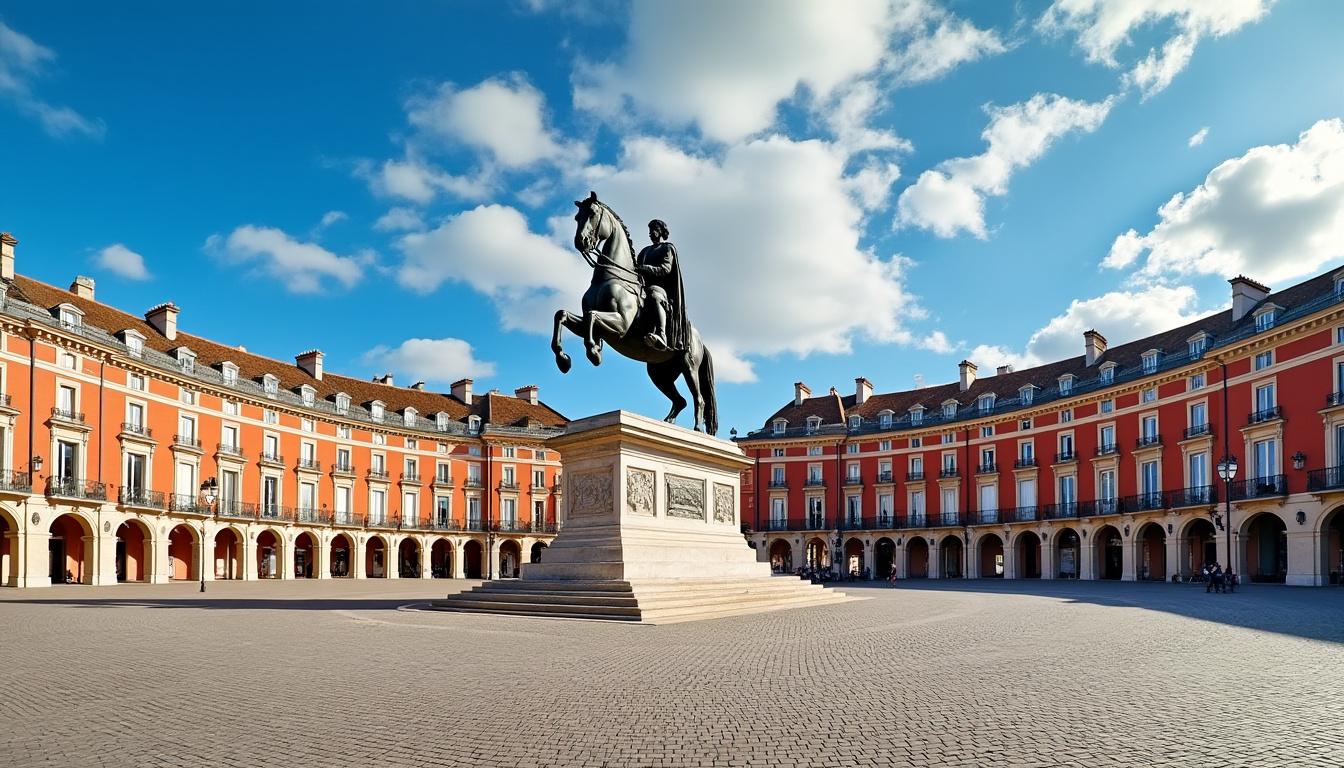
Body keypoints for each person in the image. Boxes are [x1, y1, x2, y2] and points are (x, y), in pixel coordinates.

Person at [634, 219, 691, 353]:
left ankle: (661, 335)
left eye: (653, 230)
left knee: (654, 295)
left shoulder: (667, 248)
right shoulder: (645, 251)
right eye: (649, 231)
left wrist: (645, 268)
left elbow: (665, 269)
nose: (650, 233)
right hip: (642, 287)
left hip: (661, 289)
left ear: (660, 232)